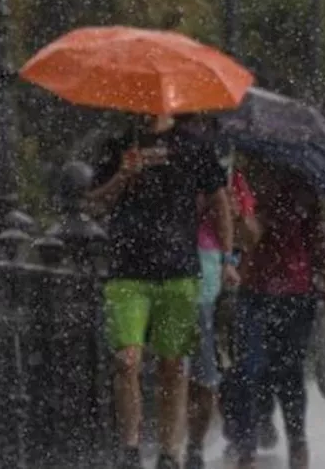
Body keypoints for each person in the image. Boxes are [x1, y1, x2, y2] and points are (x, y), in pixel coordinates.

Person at [86, 114, 233, 469]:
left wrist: (227, 258)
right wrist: (123, 174)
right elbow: (94, 204)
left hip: (178, 270)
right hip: (127, 272)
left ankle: (169, 452)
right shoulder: (118, 145)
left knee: (173, 365)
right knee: (127, 360)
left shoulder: (193, 146)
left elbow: (219, 202)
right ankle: (131, 449)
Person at [222, 161, 325, 469]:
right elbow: (247, 238)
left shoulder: (300, 186)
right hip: (256, 289)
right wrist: (239, 212)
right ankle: (248, 444)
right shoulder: (242, 183)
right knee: (250, 369)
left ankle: (295, 441)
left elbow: (318, 237)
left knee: (287, 372)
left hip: (295, 292)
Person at [186, 147, 262, 469]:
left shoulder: (232, 179)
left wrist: (235, 213)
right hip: (172, 267)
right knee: (180, 367)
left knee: (213, 367)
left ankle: (202, 443)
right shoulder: (164, 164)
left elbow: (251, 235)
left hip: (211, 275)